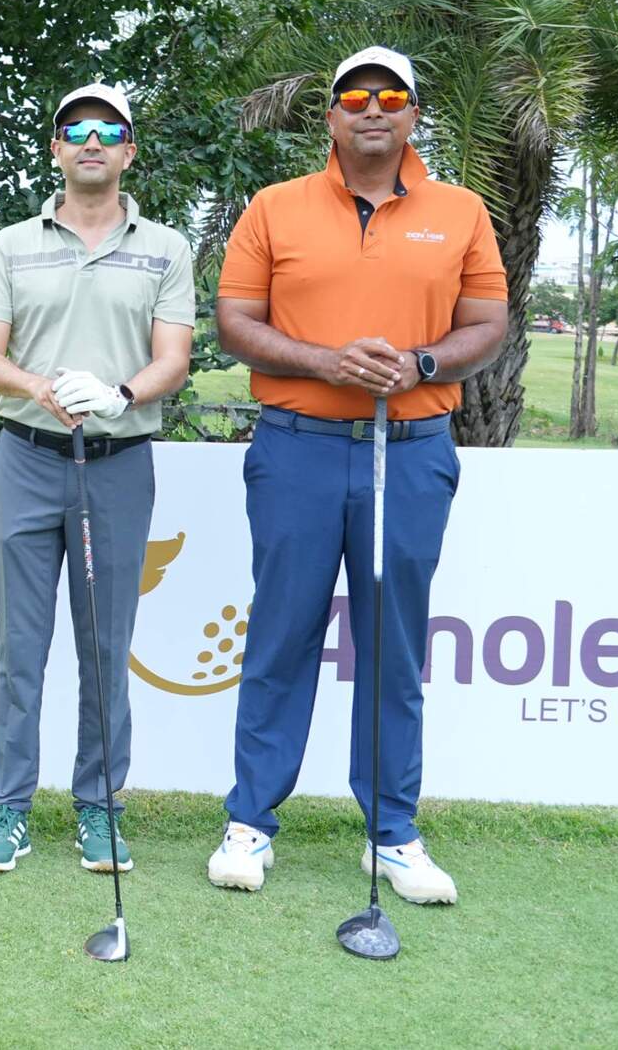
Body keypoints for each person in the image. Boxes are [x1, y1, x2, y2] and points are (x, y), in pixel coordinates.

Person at [208, 46, 507, 903]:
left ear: (413, 113)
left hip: (409, 448)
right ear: (331, 115)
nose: (372, 107)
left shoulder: (461, 211)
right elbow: (235, 320)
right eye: (354, 95)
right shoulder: (276, 206)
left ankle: (392, 833)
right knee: (282, 634)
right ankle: (250, 822)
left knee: (392, 644)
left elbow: (487, 321)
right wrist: (325, 361)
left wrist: (419, 363)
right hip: (297, 446)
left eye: (391, 94)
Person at [0, 83, 195, 875]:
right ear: (56, 147)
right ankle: (8, 806)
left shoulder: (164, 247)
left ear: (129, 149)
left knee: (104, 646)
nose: (91, 139)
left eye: (108, 128)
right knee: (20, 646)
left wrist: (120, 393)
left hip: (117, 464)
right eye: (76, 127)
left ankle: (99, 806)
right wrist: (41, 386)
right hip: (28, 457)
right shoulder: (12, 244)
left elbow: (173, 359)